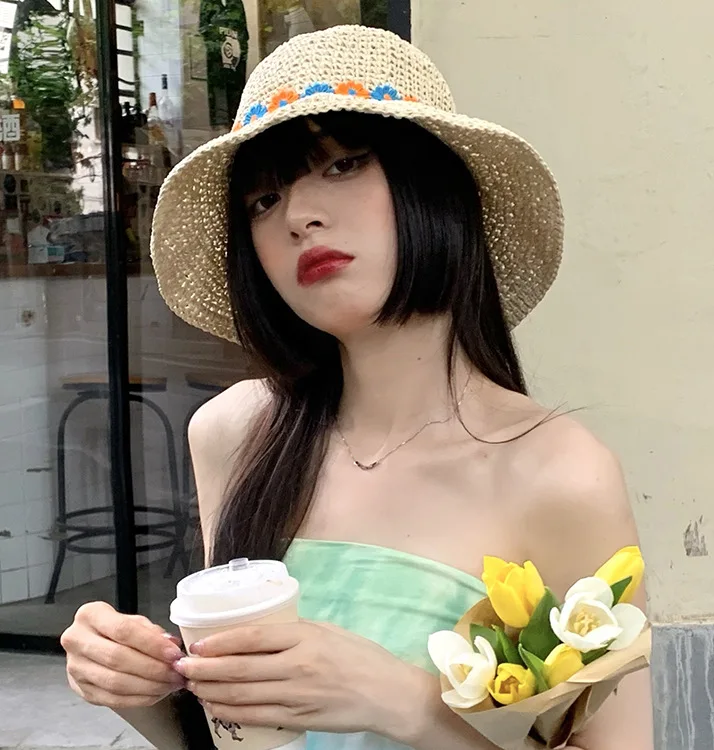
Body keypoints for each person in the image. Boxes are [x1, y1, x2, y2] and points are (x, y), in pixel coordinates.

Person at [60, 25, 653, 750]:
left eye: (342, 165)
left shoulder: (561, 475)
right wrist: (142, 688)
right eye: (263, 200)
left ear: (436, 188)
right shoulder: (233, 434)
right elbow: (244, 737)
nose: (297, 217)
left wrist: (402, 703)